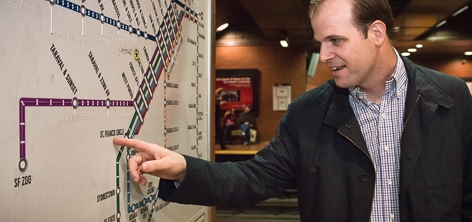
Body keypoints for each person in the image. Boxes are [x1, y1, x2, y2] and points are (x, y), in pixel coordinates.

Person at [113, 0, 472, 220]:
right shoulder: (307, 113)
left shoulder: (450, 97)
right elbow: (253, 178)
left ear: (376, 33)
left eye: (336, 40)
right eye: (320, 42)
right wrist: (182, 169)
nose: (325, 54)